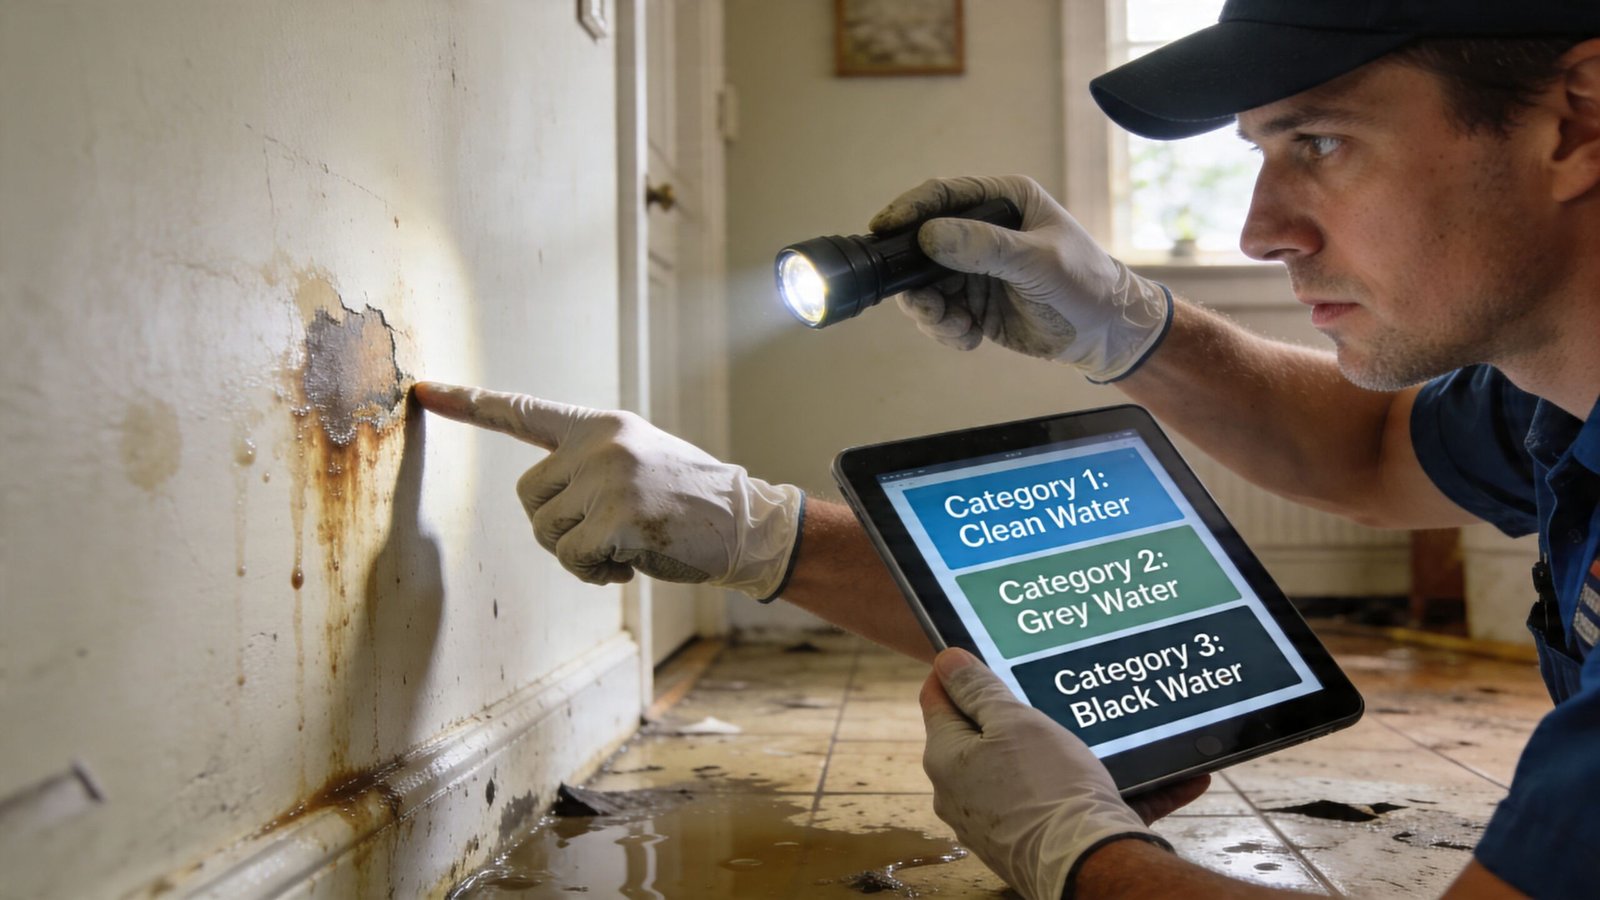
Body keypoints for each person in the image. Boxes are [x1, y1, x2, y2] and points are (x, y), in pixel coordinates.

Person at [415, 2, 1600, 897]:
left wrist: (1083, 856)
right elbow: (1370, 448)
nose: (1258, 231)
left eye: (1323, 143)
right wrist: (1127, 323)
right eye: (1258, 152)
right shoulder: (1552, 397)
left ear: (1577, 122)